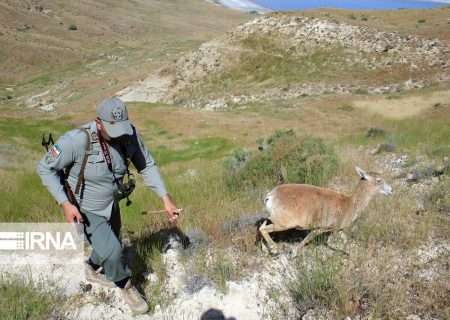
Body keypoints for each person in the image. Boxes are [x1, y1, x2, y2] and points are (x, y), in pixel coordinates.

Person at [37, 97, 180, 314]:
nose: (119, 133)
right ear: (98, 122)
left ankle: (91, 268)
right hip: (86, 207)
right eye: (112, 128)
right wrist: (65, 203)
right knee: (114, 252)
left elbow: (147, 165)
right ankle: (126, 286)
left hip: (112, 203)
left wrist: (165, 198)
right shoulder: (76, 140)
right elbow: (45, 168)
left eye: (121, 127)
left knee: (110, 240)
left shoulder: (130, 136)